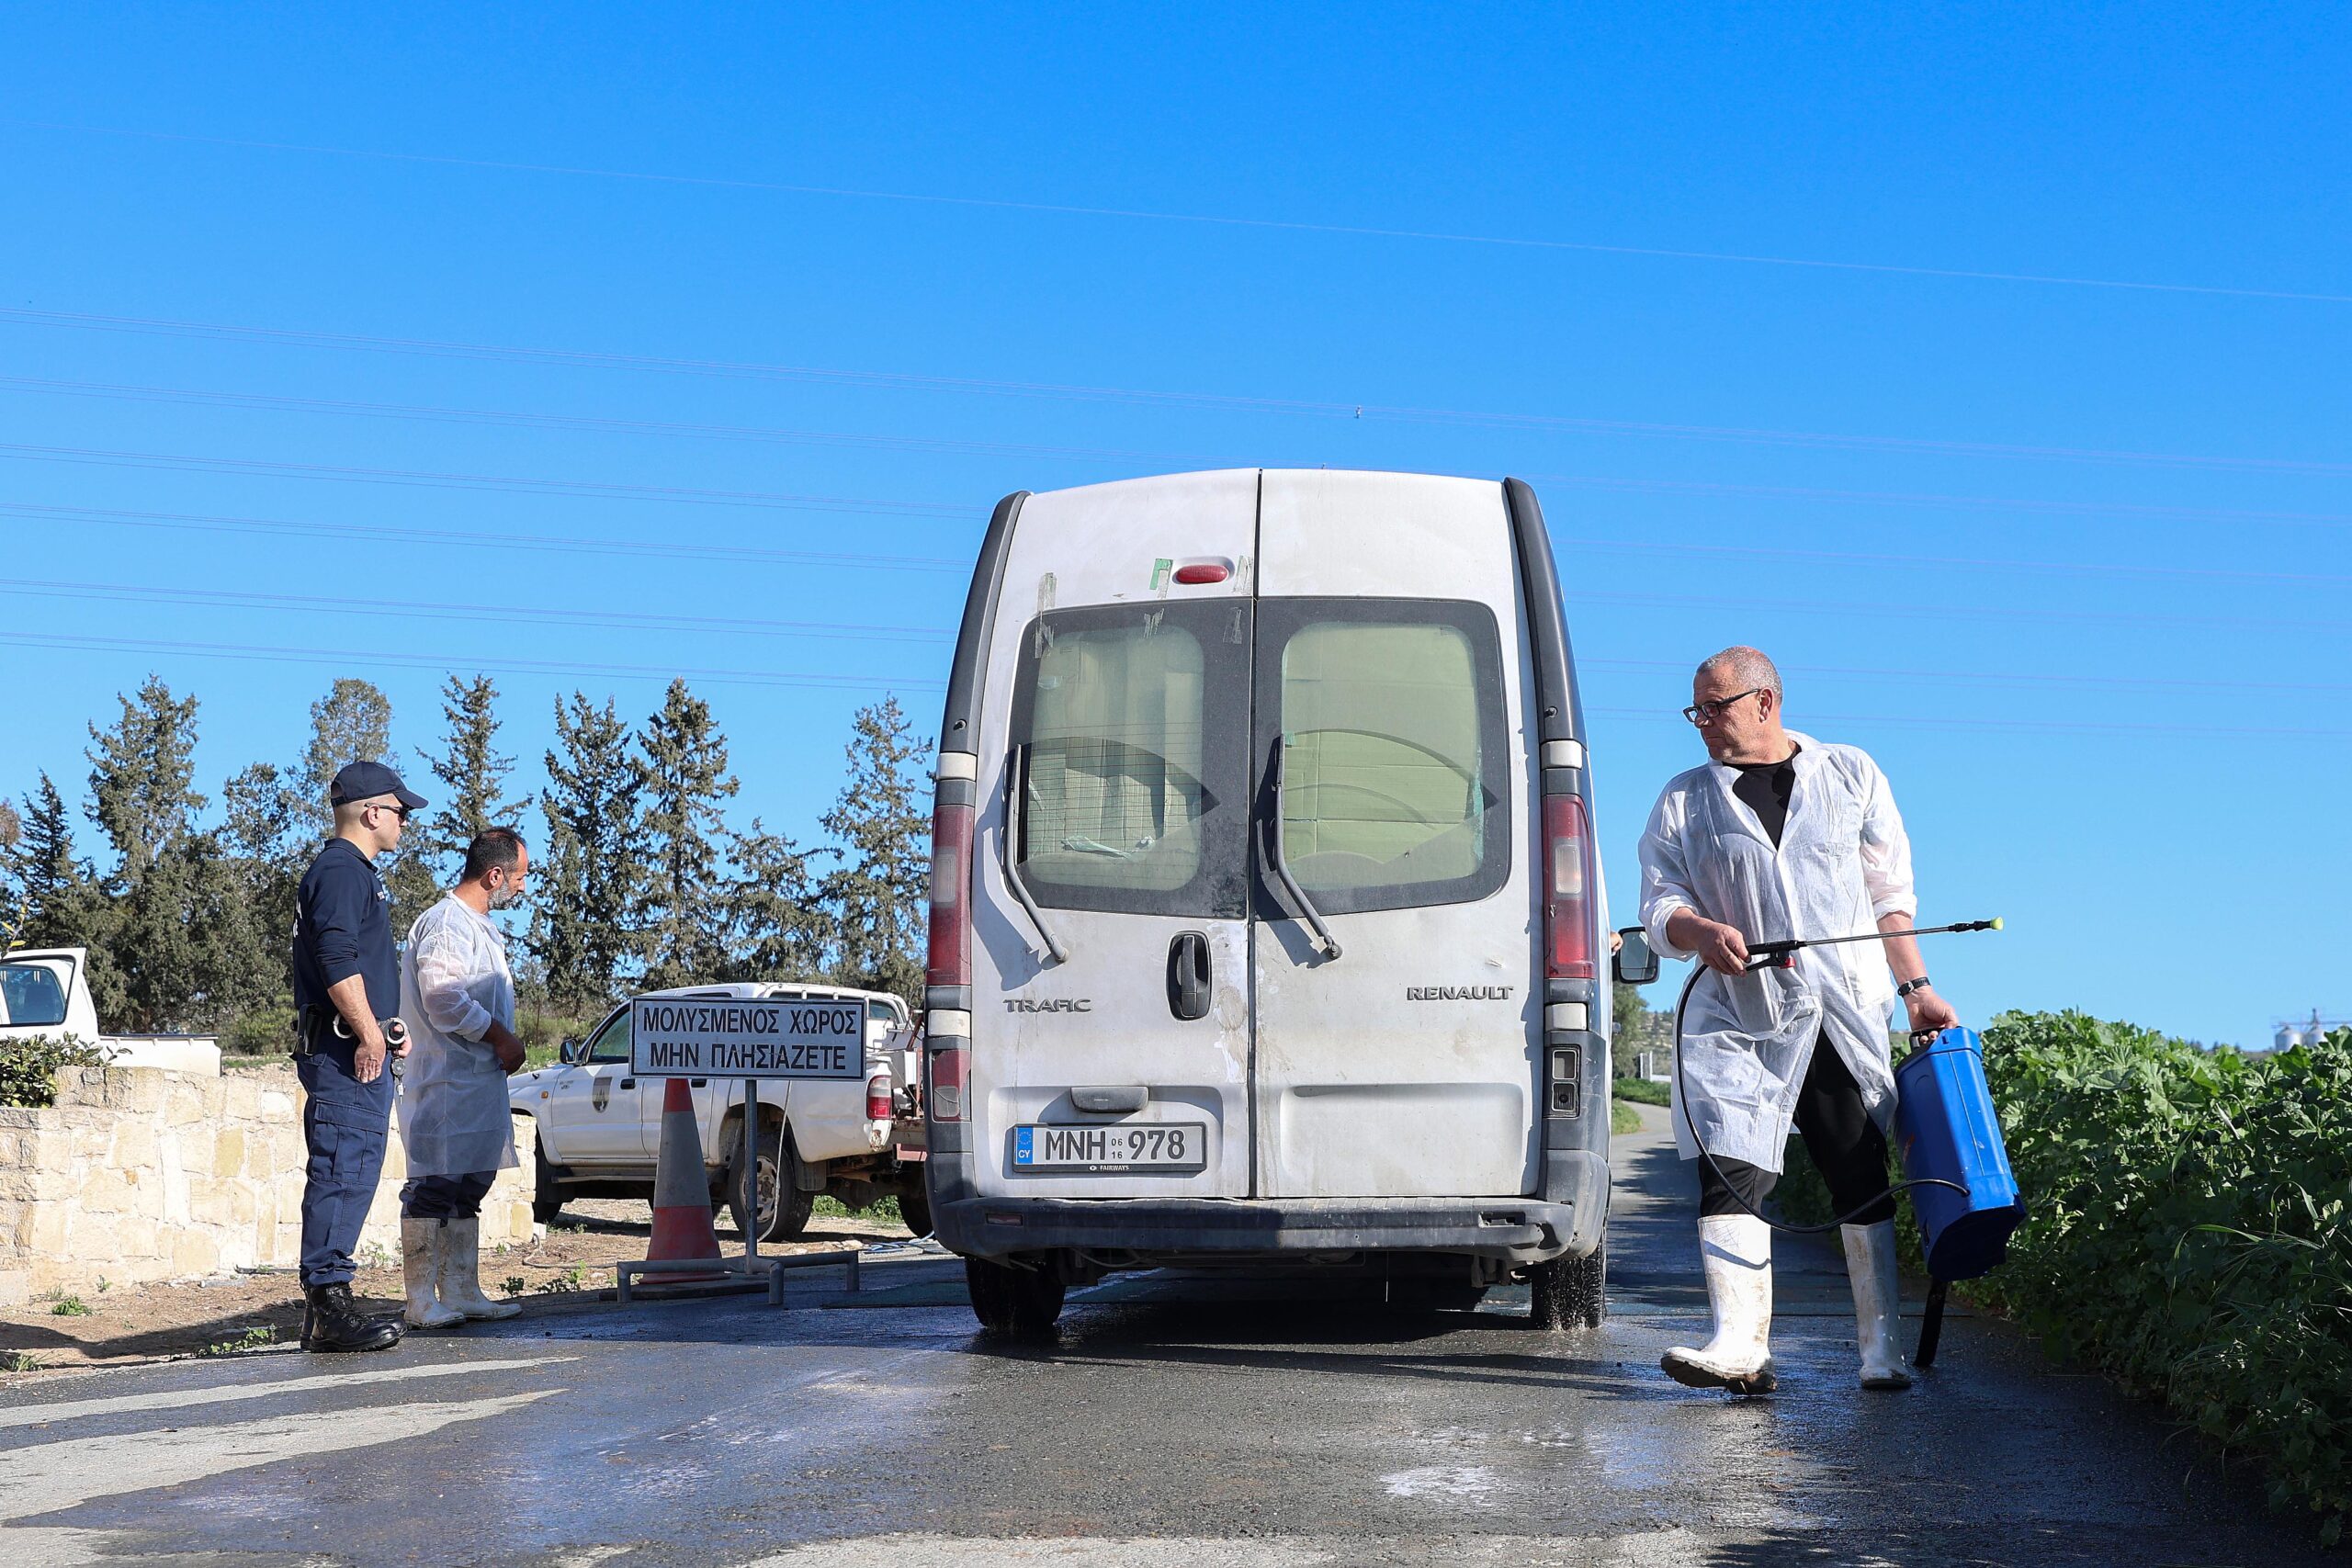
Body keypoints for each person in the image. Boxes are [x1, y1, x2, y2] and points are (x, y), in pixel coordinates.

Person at [1636, 648, 1959, 1395]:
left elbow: (1889, 894)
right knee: (1728, 1161)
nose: (1704, 723)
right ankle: (1740, 1345)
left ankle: (1882, 1349)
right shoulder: (1684, 800)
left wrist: (1916, 987)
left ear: (1766, 700)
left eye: (1716, 707)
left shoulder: (1850, 773)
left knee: (1856, 1169)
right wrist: (1698, 931)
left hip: (1840, 1005)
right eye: (1697, 711)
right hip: (1739, 1013)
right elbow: (1659, 902)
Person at [291, 760, 428, 1353]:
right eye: (400, 811)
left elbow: (352, 964)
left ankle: (325, 1306)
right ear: (372, 811)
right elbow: (337, 957)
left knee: (352, 1167)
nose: (404, 822)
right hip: (346, 1054)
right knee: (342, 1170)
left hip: (352, 1047)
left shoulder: (351, 872)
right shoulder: (343, 870)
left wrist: (386, 1027)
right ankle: (328, 1304)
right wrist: (369, 1033)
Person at [395, 827, 531, 1328]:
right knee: (434, 1185)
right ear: (494, 875)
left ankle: (460, 1288)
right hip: (445, 1082)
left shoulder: (477, 926)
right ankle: (420, 1299)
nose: (521, 887)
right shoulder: (446, 924)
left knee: (469, 1184)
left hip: (474, 1082)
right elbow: (443, 997)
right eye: (518, 877)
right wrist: (499, 1037)